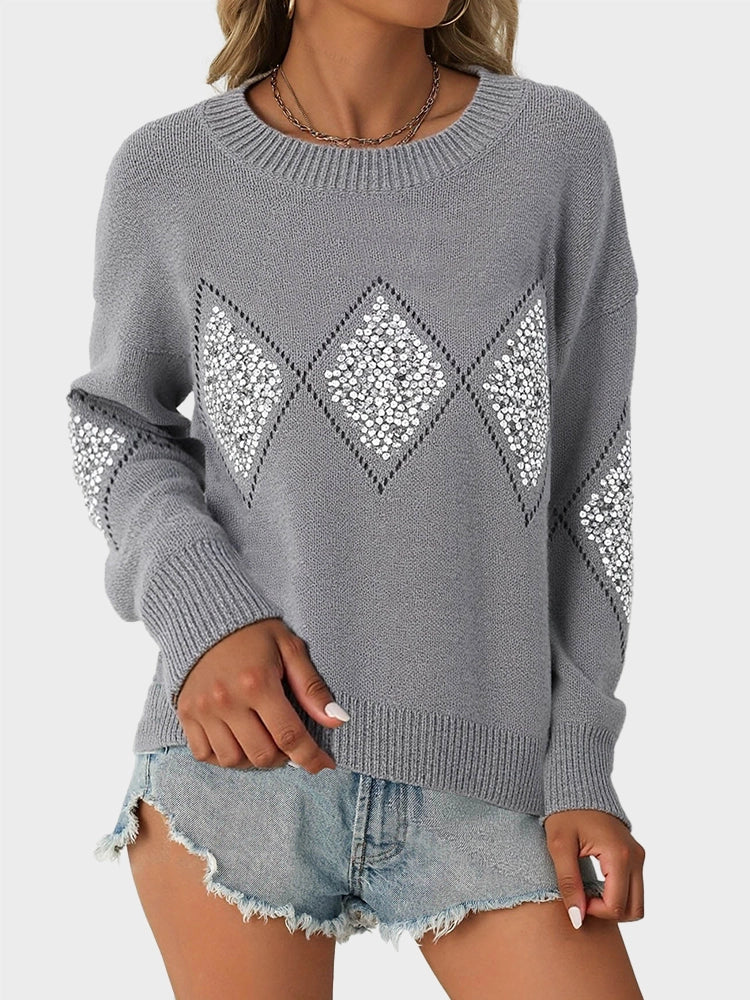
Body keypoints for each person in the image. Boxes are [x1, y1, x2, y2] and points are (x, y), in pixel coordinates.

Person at [65, 0, 646, 996]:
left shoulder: (554, 152)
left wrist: (583, 763)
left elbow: (591, 480)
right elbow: (117, 424)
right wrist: (207, 616)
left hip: (493, 777)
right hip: (239, 766)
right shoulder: (170, 173)